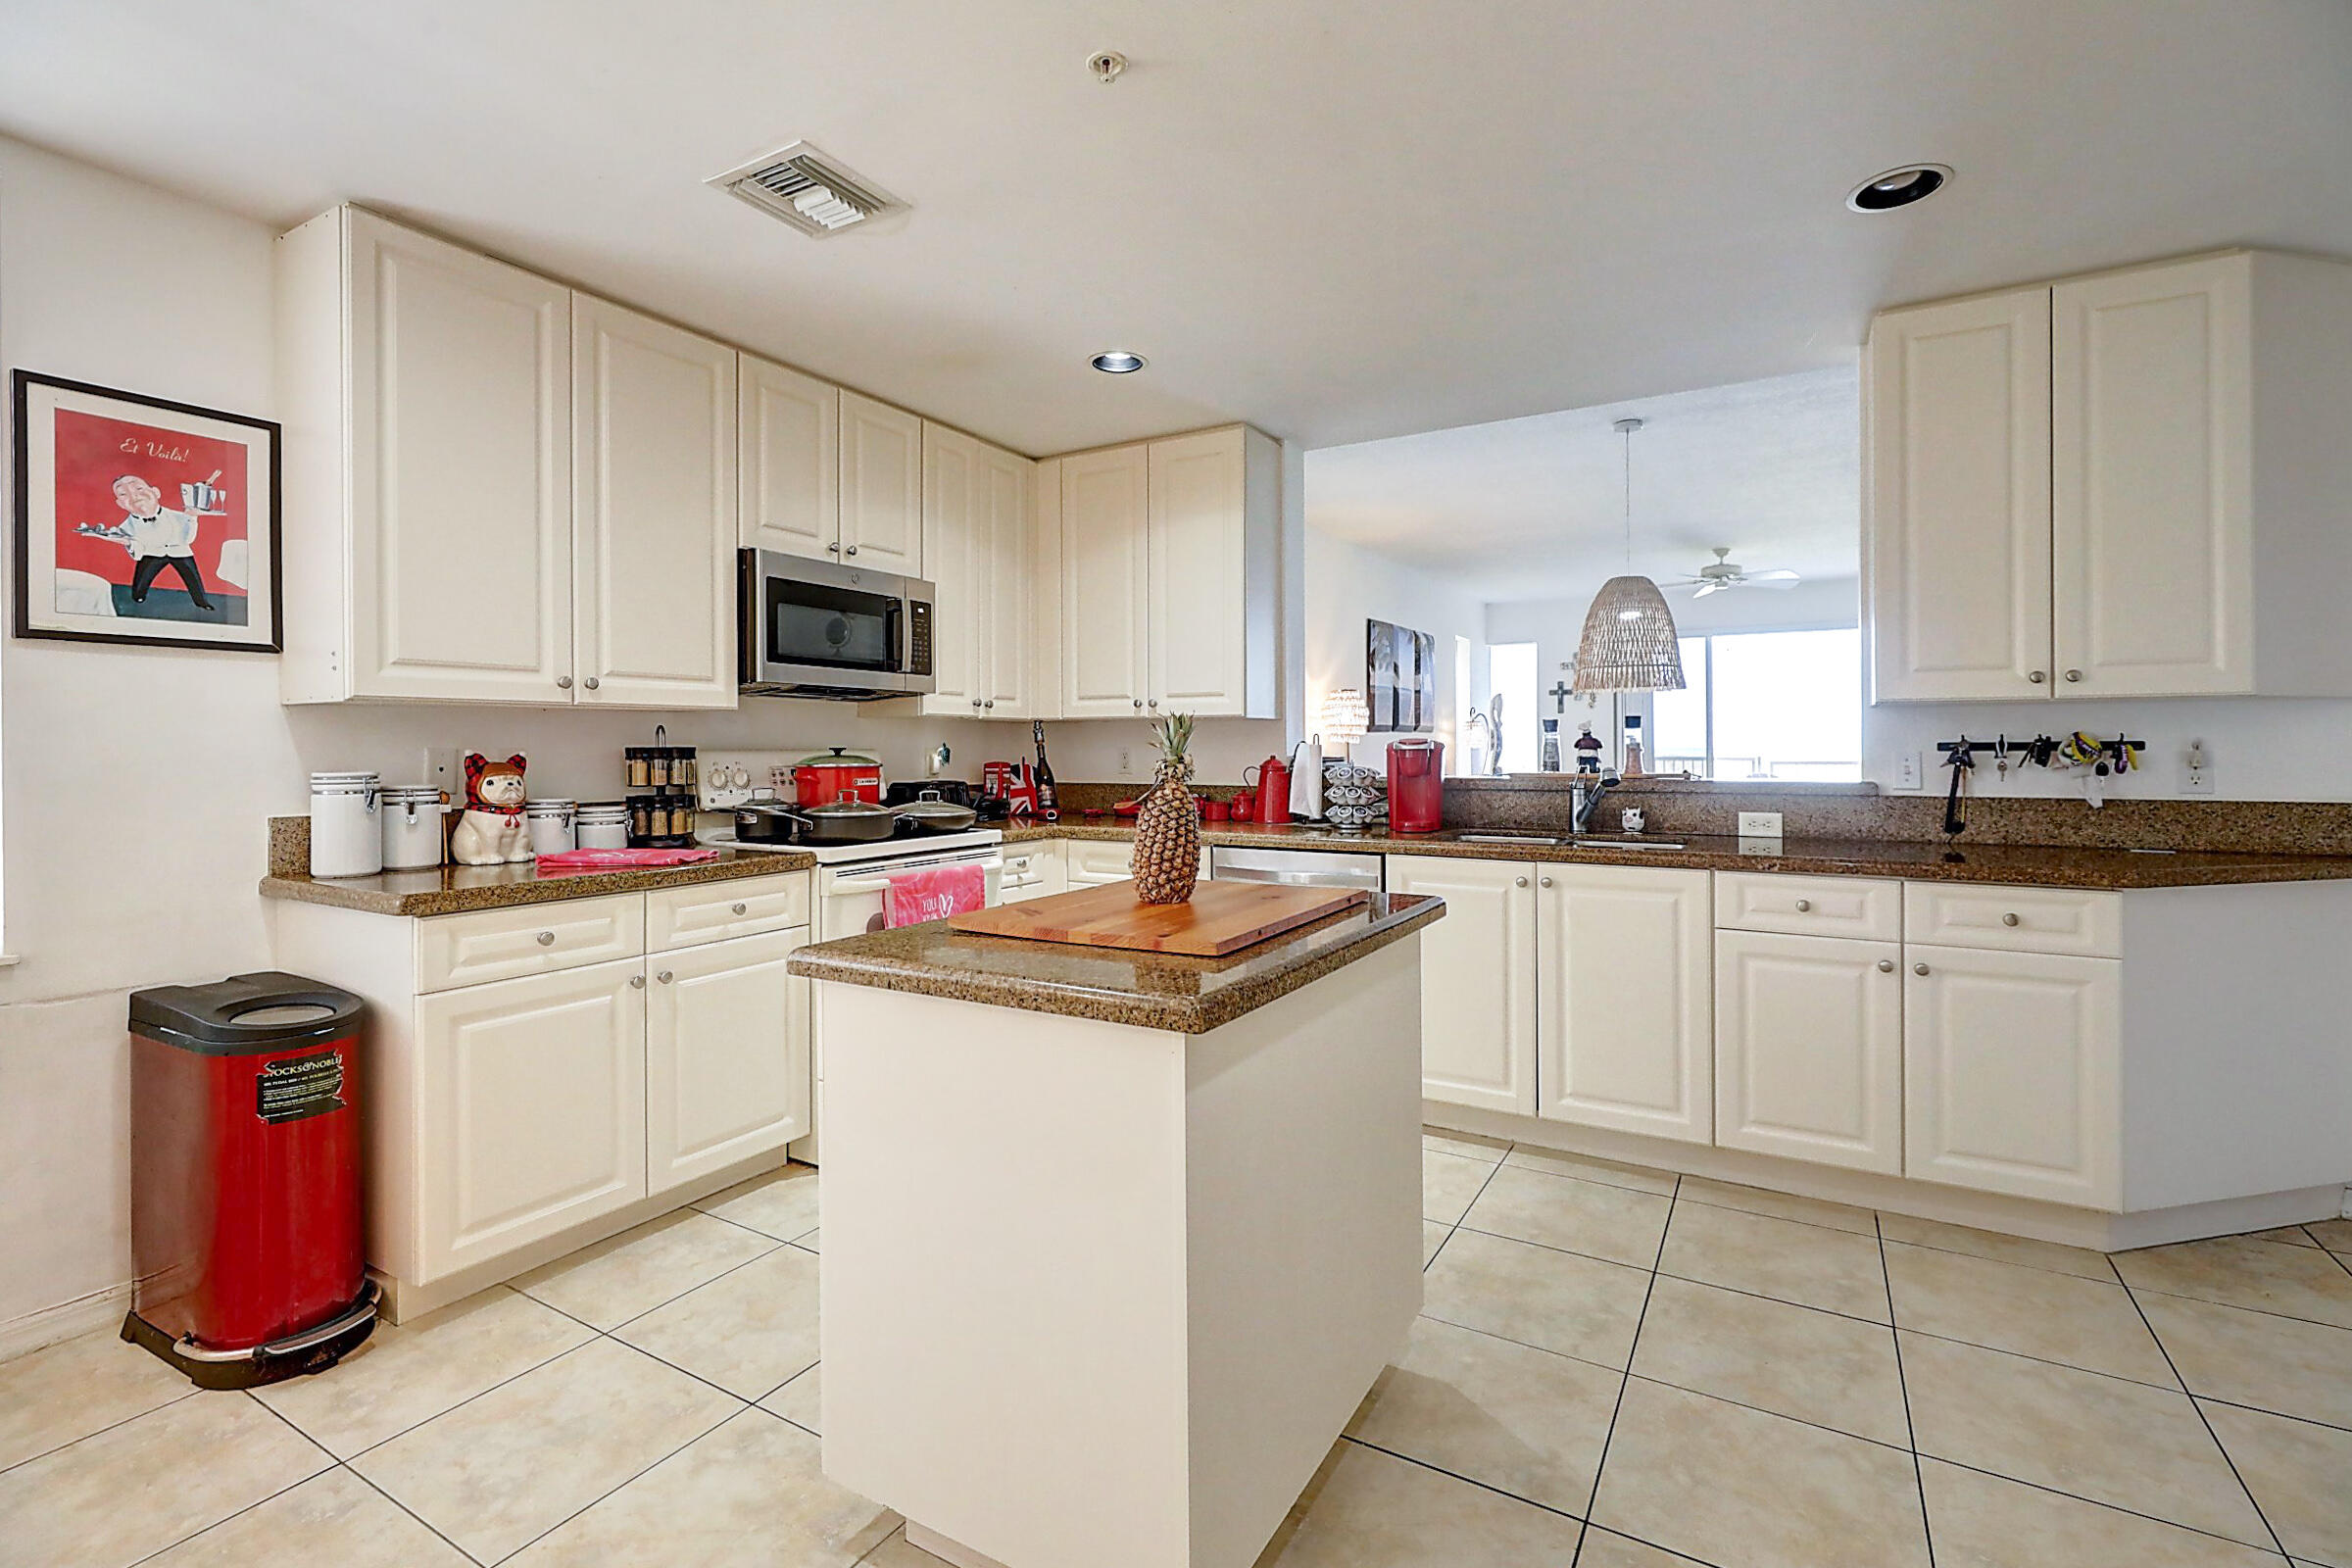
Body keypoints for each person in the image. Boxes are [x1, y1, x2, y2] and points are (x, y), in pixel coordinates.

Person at [75, 474, 215, 611]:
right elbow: (137, 551)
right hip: (151, 553)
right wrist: (124, 540)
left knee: (193, 579)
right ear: (120, 504)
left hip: (180, 552)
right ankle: (138, 596)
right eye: (123, 494)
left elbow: (188, 540)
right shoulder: (125, 527)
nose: (133, 495)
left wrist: (192, 518)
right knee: (141, 580)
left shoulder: (179, 516)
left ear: (156, 492)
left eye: (138, 488)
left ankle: (202, 602)